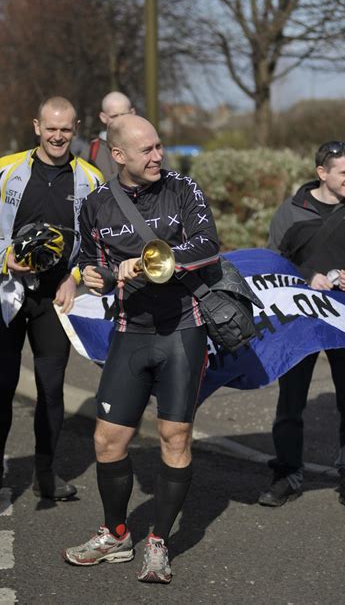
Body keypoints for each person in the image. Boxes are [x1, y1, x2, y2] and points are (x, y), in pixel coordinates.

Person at [64, 115, 221, 583]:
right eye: (146, 150)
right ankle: (115, 534)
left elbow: (209, 245)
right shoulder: (95, 204)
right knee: (107, 440)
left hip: (182, 330)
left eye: (158, 146)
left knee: (174, 436)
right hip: (131, 332)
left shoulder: (182, 189)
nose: (158, 156)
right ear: (119, 156)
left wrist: (154, 262)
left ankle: (158, 542)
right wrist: (94, 275)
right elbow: (90, 262)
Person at [0, 96, 104, 501]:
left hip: (54, 297)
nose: (58, 136)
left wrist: (75, 277)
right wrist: (6, 258)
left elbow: (99, 243)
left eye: (65, 129)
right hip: (8, 291)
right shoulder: (5, 170)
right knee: (2, 384)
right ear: (36, 127)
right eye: (51, 128)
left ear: (76, 128)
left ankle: (45, 472)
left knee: (51, 388)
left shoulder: (91, 179)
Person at [258, 140, 345, 511]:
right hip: (299, 320)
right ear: (322, 174)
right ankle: (287, 473)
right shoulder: (290, 212)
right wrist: (305, 278)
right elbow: (271, 267)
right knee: (290, 402)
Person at [86, 91, 136, 180]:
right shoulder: (90, 153)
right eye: (114, 116)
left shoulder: (150, 146)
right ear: (103, 117)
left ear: (132, 113)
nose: (120, 120)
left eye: (124, 114)